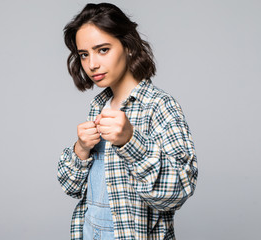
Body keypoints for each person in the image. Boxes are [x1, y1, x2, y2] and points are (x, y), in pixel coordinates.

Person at [57, 3, 198, 240]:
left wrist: (131, 141)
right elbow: (71, 187)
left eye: (102, 50)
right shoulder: (97, 107)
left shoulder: (159, 105)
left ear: (128, 46)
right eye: (84, 54)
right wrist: (81, 149)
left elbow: (179, 191)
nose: (92, 64)